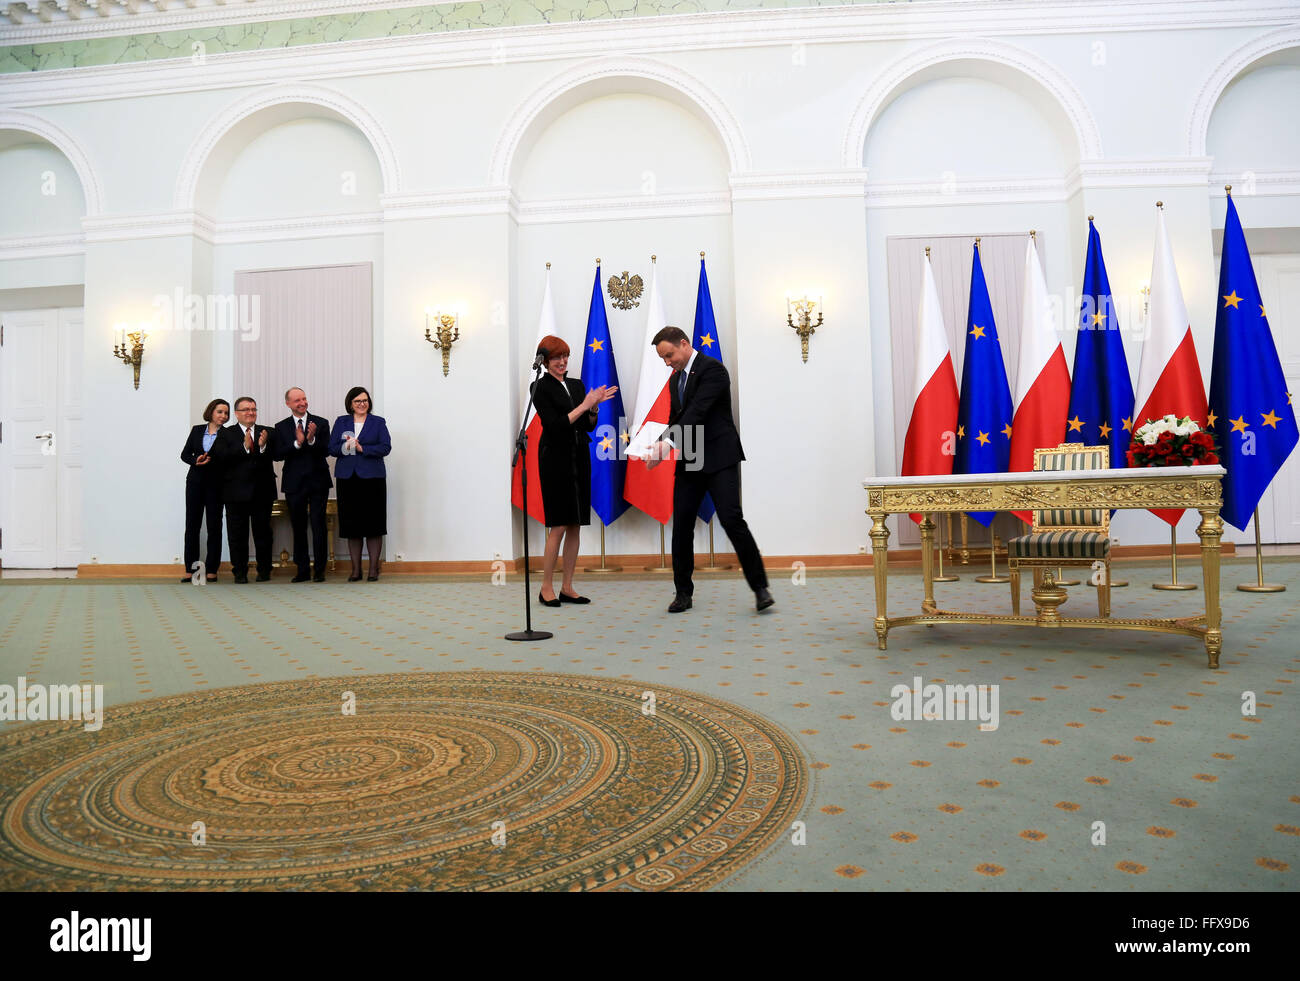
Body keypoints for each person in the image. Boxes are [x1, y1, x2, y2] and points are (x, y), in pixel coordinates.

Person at [644, 326, 772, 613]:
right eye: (663, 359)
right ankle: (683, 594)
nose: (667, 362)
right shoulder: (676, 379)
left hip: (719, 457)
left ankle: (760, 588)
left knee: (732, 520)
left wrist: (667, 445)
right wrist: (656, 446)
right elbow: (675, 418)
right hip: (691, 458)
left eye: (669, 355)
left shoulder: (714, 370)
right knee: (682, 527)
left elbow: (698, 411)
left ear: (684, 344)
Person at [530, 335, 617, 606]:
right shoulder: (539, 387)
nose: (563, 361)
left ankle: (568, 586)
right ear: (544, 361)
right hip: (555, 458)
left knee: (575, 524)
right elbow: (555, 425)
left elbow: (588, 425)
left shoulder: (577, 385)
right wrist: (583, 405)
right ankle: (546, 587)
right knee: (558, 524)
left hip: (579, 456)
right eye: (556, 357)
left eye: (565, 356)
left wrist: (594, 408)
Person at [329, 386, 391, 581]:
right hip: (348, 479)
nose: (362, 404)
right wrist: (346, 446)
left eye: (365, 400)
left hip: (373, 479)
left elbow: (385, 446)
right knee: (352, 526)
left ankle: (373, 569)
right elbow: (331, 448)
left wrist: (362, 447)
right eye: (357, 401)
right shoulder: (341, 422)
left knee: (373, 525)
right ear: (350, 404)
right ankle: (356, 570)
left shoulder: (378, 422)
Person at [213, 396, 277, 584]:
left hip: (262, 492)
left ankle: (264, 571)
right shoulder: (225, 433)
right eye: (246, 409)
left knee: (263, 534)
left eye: (254, 409)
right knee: (237, 534)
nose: (251, 413)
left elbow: (279, 455)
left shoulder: (268, 432)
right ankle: (239, 571)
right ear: (236, 413)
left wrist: (263, 446)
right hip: (234, 492)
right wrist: (244, 447)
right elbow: (221, 457)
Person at [273, 387, 333, 583]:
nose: (302, 403)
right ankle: (302, 570)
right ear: (288, 403)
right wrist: (297, 444)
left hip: (318, 481)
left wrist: (311, 439)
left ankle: (320, 570)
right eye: (297, 400)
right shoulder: (280, 427)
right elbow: (278, 454)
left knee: (318, 525)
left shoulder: (321, 423)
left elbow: (326, 451)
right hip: (294, 483)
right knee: (298, 527)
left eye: (304, 399)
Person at [179, 398, 229, 583]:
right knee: (192, 526)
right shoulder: (197, 430)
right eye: (220, 412)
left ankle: (212, 569)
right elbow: (184, 454)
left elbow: (229, 458)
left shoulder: (228, 434)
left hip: (216, 484)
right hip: (195, 483)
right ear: (211, 412)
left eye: (226, 413)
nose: (223, 416)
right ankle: (190, 569)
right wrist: (196, 460)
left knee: (214, 527)